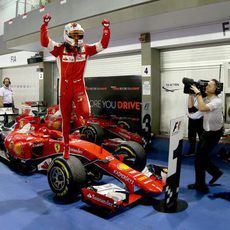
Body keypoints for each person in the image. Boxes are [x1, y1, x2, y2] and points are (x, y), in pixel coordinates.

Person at [40, 14, 110, 159]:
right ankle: (66, 148)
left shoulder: (86, 49)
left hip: (79, 88)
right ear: (66, 35)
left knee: (85, 113)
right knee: (65, 121)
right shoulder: (59, 49)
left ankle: (81, 136)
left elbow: (103, 45)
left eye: (79, 34)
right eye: (74, 35)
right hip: (64, 90)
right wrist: (45, 25)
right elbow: (45, 42)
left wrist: (106, 29)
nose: (77, 37)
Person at [188, 79, 223, 193]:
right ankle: (215, 173)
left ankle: (201, 184)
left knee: (200, 159)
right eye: (206, 85)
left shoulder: (218, 101)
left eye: (209, 85)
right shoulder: (206, 99)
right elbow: (192, 108)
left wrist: (198, 94)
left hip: (214, 133)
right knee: (201, 157)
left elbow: (202, 108)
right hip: (206, 132)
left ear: (216, 89)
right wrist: (190, 95)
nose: (206, 87)